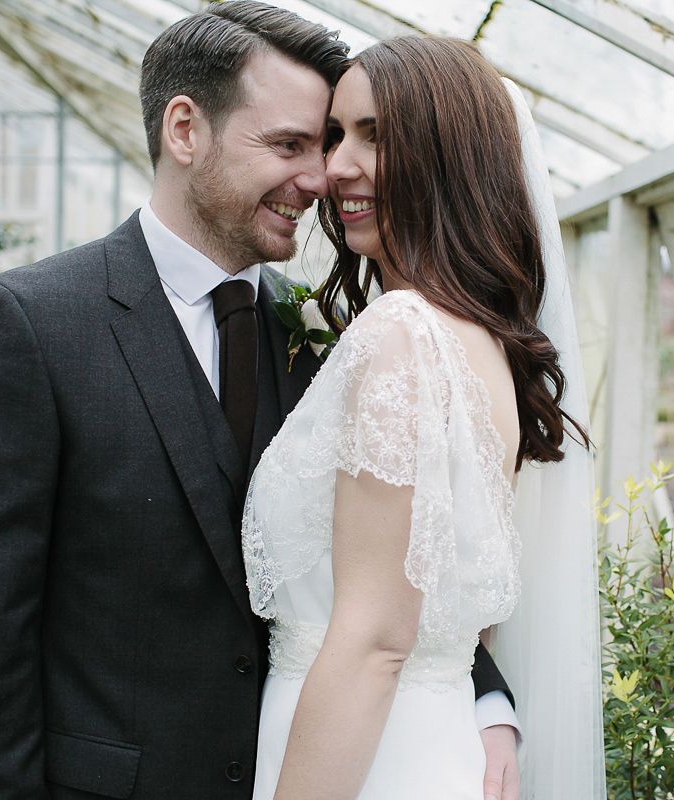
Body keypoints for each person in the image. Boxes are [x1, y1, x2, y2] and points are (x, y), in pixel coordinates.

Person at [0, 4, 517, 798]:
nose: (321, 178)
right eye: (290, 145)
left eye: (330, 142)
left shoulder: (334, 335)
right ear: (184, 130)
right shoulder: (28, 325)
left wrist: (483, 702)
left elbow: (396, 554)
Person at [243, 36, 605, 800]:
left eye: (376, 135)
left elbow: (376, 641)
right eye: (337, 133)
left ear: (450, 156)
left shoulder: (403, 334)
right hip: (423, 744)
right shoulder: (478, 344)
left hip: (357, 762)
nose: (337, 165)